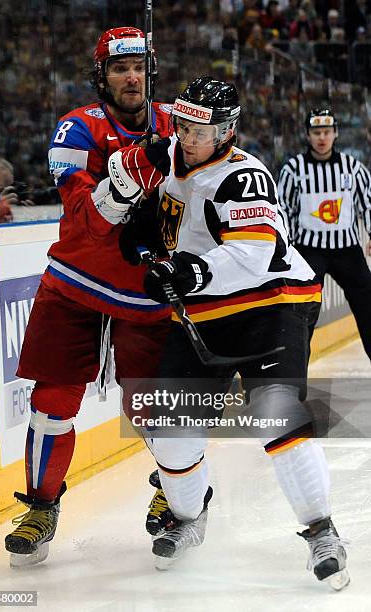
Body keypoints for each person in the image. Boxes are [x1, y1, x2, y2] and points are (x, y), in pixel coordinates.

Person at [118, 77, 349, 589]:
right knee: (171, 431)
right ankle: (189, 515)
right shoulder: (172, 158)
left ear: (227, 131)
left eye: (201, 130)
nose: (188, 136)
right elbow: (171, 215)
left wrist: (187, 273)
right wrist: (144, 229)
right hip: (204, 313)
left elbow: (253, 252)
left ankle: (321, 530)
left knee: (275, 414)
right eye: (182, 125)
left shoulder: (245, 176)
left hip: (271, 303)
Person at [4, 26, 172, 568]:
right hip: (75, 282)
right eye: (119, 68)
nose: (131, 77)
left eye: (139, 67)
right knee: (52, 403)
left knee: (152, 406)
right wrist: (129, 175)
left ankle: (180, 488)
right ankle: (40, 506)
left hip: (146, 289)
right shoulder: (75, 129)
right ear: (101, 76)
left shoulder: (176, 124)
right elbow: (86, 219)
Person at [278, 108, 371, 362]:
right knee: (301, 316)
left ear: (336, 134)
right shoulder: (293, 170)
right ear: (307, 135)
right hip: (308, 252)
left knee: (368, 307)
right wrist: (284, 247)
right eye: (316, 132)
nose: (322, 137)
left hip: (348, 251)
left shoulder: (353, 168)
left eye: (327, 132)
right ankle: (294, 378)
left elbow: (368, 204)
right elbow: (283, 210)